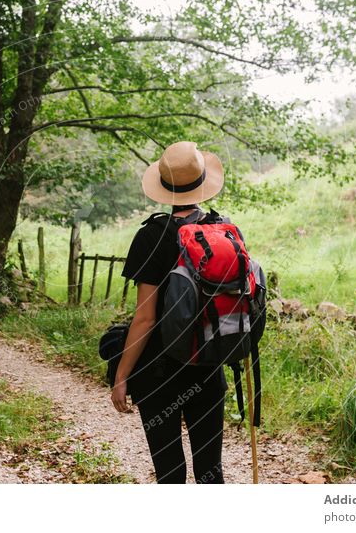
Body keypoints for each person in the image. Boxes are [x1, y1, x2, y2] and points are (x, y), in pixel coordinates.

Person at [112, 140, 228, 484]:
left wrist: (121, 377)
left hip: (158, 373)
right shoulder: (220, 231)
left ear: (164, 187)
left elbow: (145, 318)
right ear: (201, 185)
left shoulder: (151, 236)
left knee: (170, 474)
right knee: (210, 471)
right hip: (208, 366)